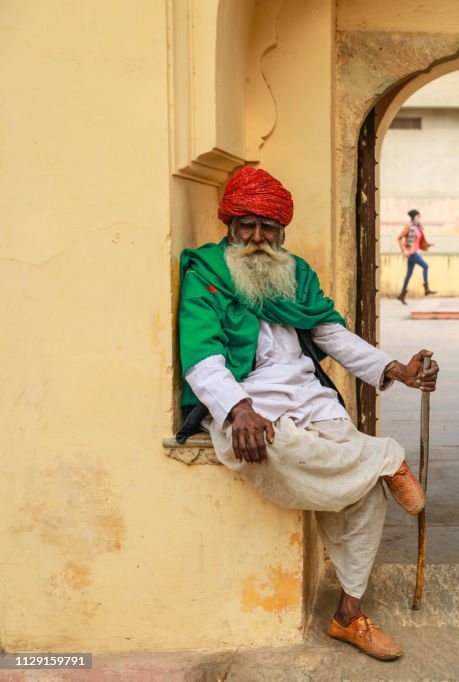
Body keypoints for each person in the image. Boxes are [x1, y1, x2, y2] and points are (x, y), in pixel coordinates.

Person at [178, 166, 439, 661]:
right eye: (247, 225)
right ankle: (387, 459)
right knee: (288, 448)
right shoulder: (206, 274)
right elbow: (202, 357)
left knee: (365, 497)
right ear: (230, 226)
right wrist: (237, 409)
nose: (257, 237)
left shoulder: (295, 273)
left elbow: (329, 334)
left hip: (306, 392)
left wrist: (395, 369)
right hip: (246, 399)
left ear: (282, 231)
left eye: (267, 228)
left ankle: (348, 615)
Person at [396, 209, 436, 304]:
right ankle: (426, 289)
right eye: (418, 217)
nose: (419, 219)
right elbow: (399, 238)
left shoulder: (418, 227)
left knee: (409, 274)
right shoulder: (409, 226)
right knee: (425, 266)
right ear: (414, 217)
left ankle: (402, 295)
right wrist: (404, 250)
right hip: (412, 253)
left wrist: (427, 245)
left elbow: (419, 241)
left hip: (416, 252)